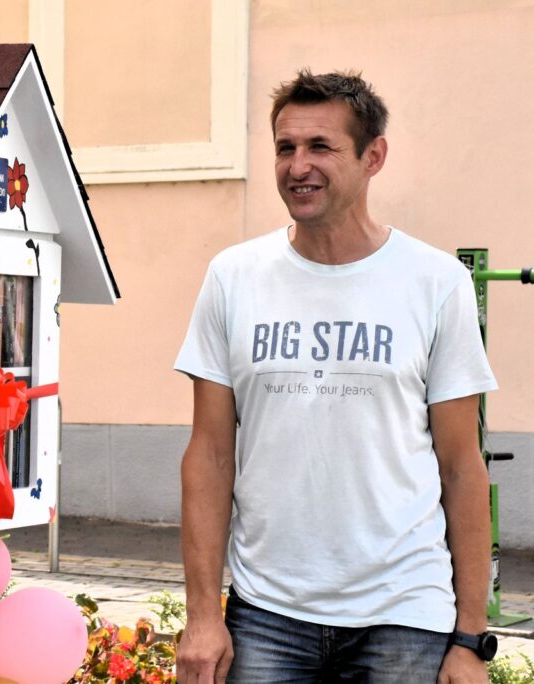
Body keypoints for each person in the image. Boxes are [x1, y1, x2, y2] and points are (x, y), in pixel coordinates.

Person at [174, 70, 498, 683]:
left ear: (373, 157)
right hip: (267, 613)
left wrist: (470, 639)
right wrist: (201, 616)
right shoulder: (233, 277)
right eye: (285, 148)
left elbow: (461, 467)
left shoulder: (436, 282)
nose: (298, 166)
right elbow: (210, 456)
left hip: (404, 612)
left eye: (320, 147)